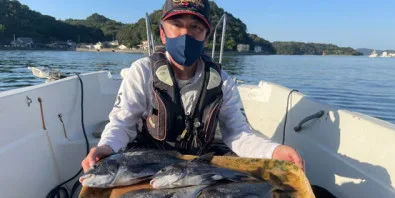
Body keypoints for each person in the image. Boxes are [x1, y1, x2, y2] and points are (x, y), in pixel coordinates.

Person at [81, 0, 303, 173]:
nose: (185, 34)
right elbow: (123, 123)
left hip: (197, 164)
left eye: (195, 27)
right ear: (162, 32)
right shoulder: (142, 71)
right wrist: (106, 147)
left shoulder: (222, 80)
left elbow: (238, 133)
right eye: (176, 25)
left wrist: (274, 151)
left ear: (206, 37)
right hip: (149, 162)